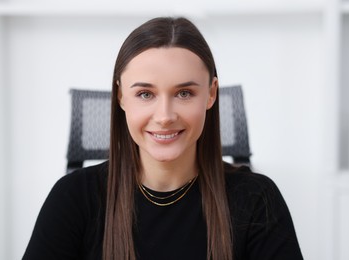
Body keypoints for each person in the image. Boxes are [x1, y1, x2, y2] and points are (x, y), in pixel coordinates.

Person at [23, 17, 304, 260]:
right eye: (145, 94)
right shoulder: (73, 198)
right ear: (121, 96)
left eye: (184, 93)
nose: (165, 115)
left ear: (211, 93)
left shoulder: (256, 199)